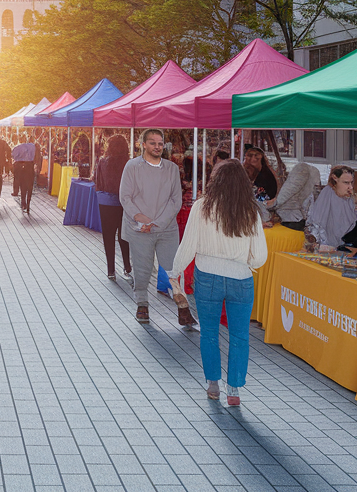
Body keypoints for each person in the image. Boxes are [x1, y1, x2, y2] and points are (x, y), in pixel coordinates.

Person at [170, 159, 267, 406]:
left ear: (216, 180)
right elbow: (261, 256)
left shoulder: (201, 207)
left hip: (208, 277)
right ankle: (233, 388)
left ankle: (212, 383)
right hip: (241, 279)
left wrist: (175, 273)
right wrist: (245, 263)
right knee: (239, 336)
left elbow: (188, 245)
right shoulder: (251, 211)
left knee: (210, 333)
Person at [119, 129, 183, 324]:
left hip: (166, 228)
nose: (157, 146)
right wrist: (142, 220)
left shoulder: (172, 169)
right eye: (153, 143)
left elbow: (176, 200)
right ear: (143, 144)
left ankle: (182, 305)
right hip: (139, 228)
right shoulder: (132, 166)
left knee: (173, 267)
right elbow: (125, 197)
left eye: (160, 143)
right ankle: (142, 304)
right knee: (142, 268)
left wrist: (157, 222)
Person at [93, 135, 133, 283]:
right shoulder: (129, 163)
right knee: (124, 236)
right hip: (124, 203)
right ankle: (127, 267)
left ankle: (111, 269)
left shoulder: (102, 162)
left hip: (106, 203)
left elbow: (97, 181)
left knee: (108, 237)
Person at [305, 165, 357, 250]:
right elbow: (318, 223)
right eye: (346, 183)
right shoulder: (327, 194)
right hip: (328, 248)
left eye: (351, 183)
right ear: (335, 179)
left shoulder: (349, 198)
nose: (350, 187)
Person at [266, 161, 320, 231]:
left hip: (290, 220)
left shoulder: (301, 168)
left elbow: (288, 192)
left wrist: (268, 205)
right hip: (298, 219)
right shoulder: (312, 172)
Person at [11, 133, 40, 213]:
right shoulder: (33, 146)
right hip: (29, 166)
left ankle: (23, 202)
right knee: (30, 185)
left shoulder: (17, 147)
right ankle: (28, 202)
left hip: (20, 166)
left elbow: (13, 156)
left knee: (22, 185)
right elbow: (36, 156)